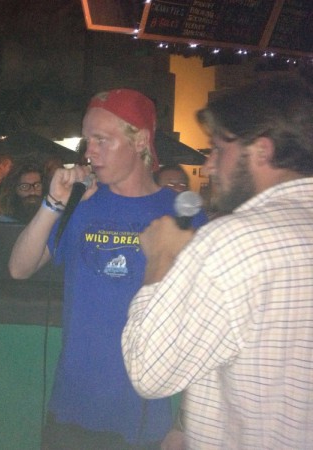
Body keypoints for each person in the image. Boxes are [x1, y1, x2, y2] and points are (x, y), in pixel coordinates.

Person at [9, 88, 207, 449]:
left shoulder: (182, 214)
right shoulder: (81, 204)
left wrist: (183, 421)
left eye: (102, 140)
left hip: (143, 414)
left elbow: (204, 326)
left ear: (140, 141)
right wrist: (53, 202)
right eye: (88, 140)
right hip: (71, 407)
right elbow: (19, 268)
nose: (90, 152)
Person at [122, 75, 313, 449]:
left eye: (217, 149)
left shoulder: (233, 241)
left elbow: (149, 370)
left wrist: (160, 257)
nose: (208, 167)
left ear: (261, 151)